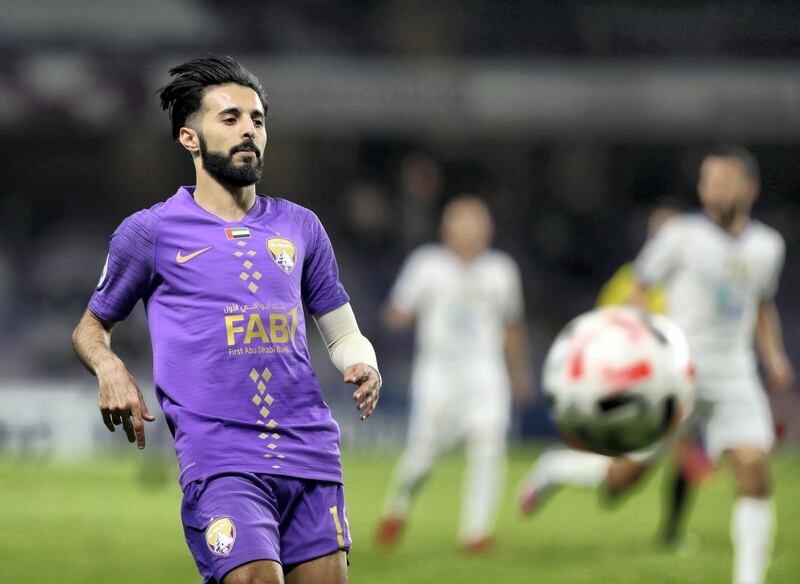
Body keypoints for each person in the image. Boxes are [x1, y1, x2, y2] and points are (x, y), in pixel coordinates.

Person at [72, 56, 381, 584]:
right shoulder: (151, 232)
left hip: (309, 450)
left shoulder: (301, 226)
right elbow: (90, 328)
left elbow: (343, 330)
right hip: (220, 457)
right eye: (231, 119)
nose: (249, 132)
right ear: (190, 139)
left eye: (257, 120)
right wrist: (110, 369)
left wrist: (362, 363)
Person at [518, 147, 793, 584]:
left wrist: (774, 355)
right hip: (677, 373)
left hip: (735, 374)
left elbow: (761, 304)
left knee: (754, 472)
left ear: (749, 188)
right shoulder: (681, 236)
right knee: (623, 479)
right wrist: (644, 347)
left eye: (723, 182)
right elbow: (640, 287)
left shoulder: (767, 246)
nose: (713, 191)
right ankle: (556, 467)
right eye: (708, 182)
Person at [374, 195, 531, 551]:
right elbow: (397, 310)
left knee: (489, 447)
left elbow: (512, 326)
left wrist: (519, 374)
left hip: (485, 372)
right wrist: (393, 318)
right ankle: (397, 507)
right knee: (424, 454)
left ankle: (476, 532)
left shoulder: (501, 270)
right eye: (464, 221)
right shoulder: (427, 265)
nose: (473, 229)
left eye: (479, 221)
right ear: (447, 228)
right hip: (438, 373)